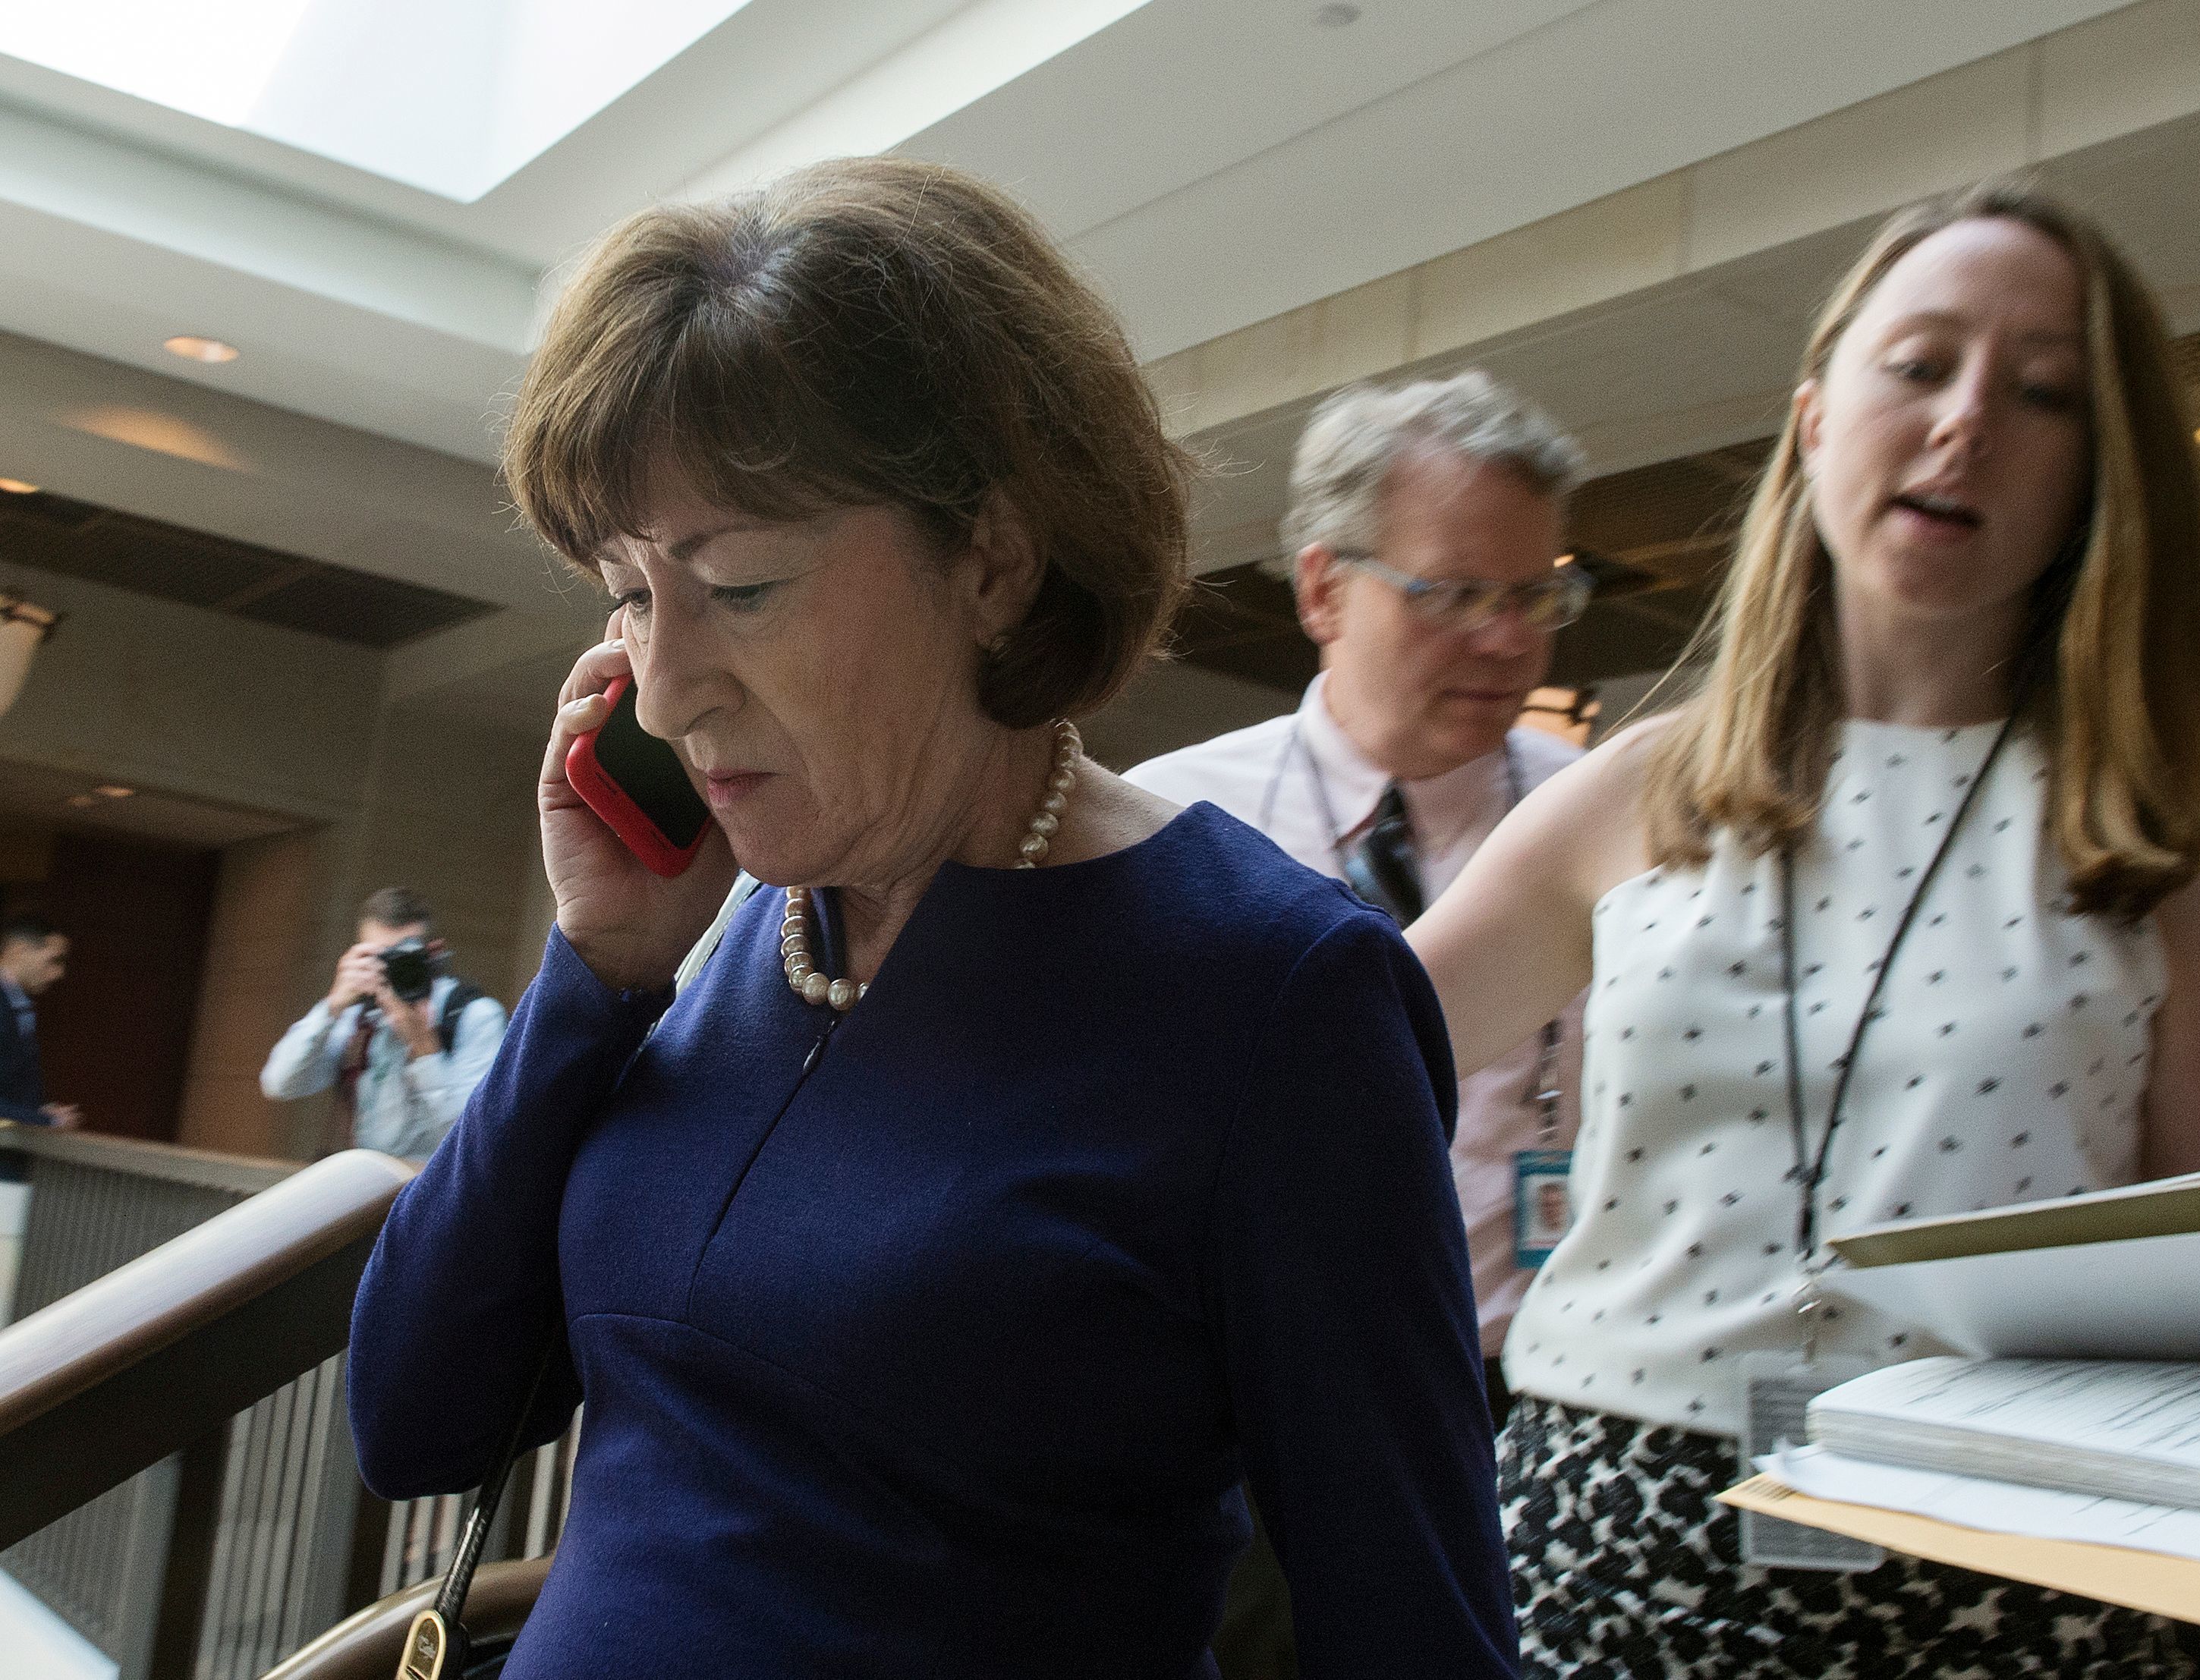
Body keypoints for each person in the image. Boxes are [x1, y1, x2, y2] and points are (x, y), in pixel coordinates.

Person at [346, 159, 1515, 1679]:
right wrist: (599, 975)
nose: (661, 680)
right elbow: (416, 1417)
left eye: (739, 585)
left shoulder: (1279, 994)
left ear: (995, 560)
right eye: (628, 593)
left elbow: (1412, 1632)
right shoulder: (735, 951)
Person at [1409, 178, 2200, 1677]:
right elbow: (1347, 1050)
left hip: (2007, 1550)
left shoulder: (2164, 835)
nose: (1967, 421)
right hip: (1615, 1525)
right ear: (1813, 420)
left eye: (2042, 393)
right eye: (1919, 365)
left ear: (2092, 477)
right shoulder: (1647, 789)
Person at [1128, 371, 1591, 1680]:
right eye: (1457, 593)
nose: (1509, 640)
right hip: (1236, 1431)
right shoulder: (1166, 830)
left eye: (1537, 594)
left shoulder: (1605, 825)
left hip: (1518, 1411)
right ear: (1325, 586)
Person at [260, 888, 506, 1162]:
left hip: (432, 1189)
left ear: (434, 953)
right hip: (365, 1185)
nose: (390, 970)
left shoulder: (475, 1017)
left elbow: (474, 1139)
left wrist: (425, 1048)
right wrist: (332, 1007)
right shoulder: (359, 1018)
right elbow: (281, 1083)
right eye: (380, 959)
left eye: (404, 957)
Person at [0, 913, 79, 1323]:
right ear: (18, 949)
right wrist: (44, 1123)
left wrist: (36, 1113)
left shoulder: (16, 1005)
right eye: (52, 959)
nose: (59, 973)